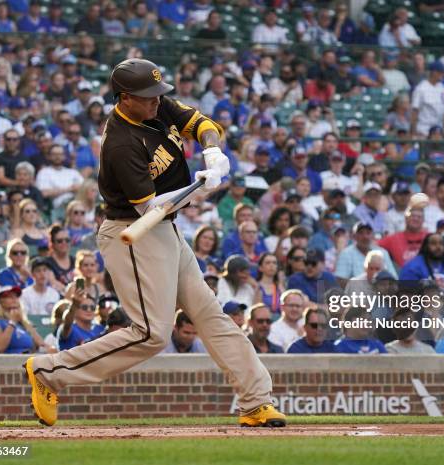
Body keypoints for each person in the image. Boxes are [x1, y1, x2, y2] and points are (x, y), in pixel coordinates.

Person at [23, 59, 286, 427]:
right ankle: (50, 372)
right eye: (147, 98)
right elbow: (150, 209)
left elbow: (203, 125)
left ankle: (256, 401)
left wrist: (212, 150)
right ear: (125, 98)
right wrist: (200, 187)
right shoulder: (119, 143)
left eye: (158, 95)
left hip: (168, 230)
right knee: (151, 333)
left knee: (210, 314)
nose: (156, 103)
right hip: (135, 233)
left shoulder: (156, 103)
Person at [0, 285, 52, 354]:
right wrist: (12, 323)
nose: (14, 299)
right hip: (10, 360)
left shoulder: (23, 323)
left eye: (16, 296)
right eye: (9, 296)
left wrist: (26, 324)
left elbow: (41, 344)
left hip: (29, 359)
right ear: (1, 301)